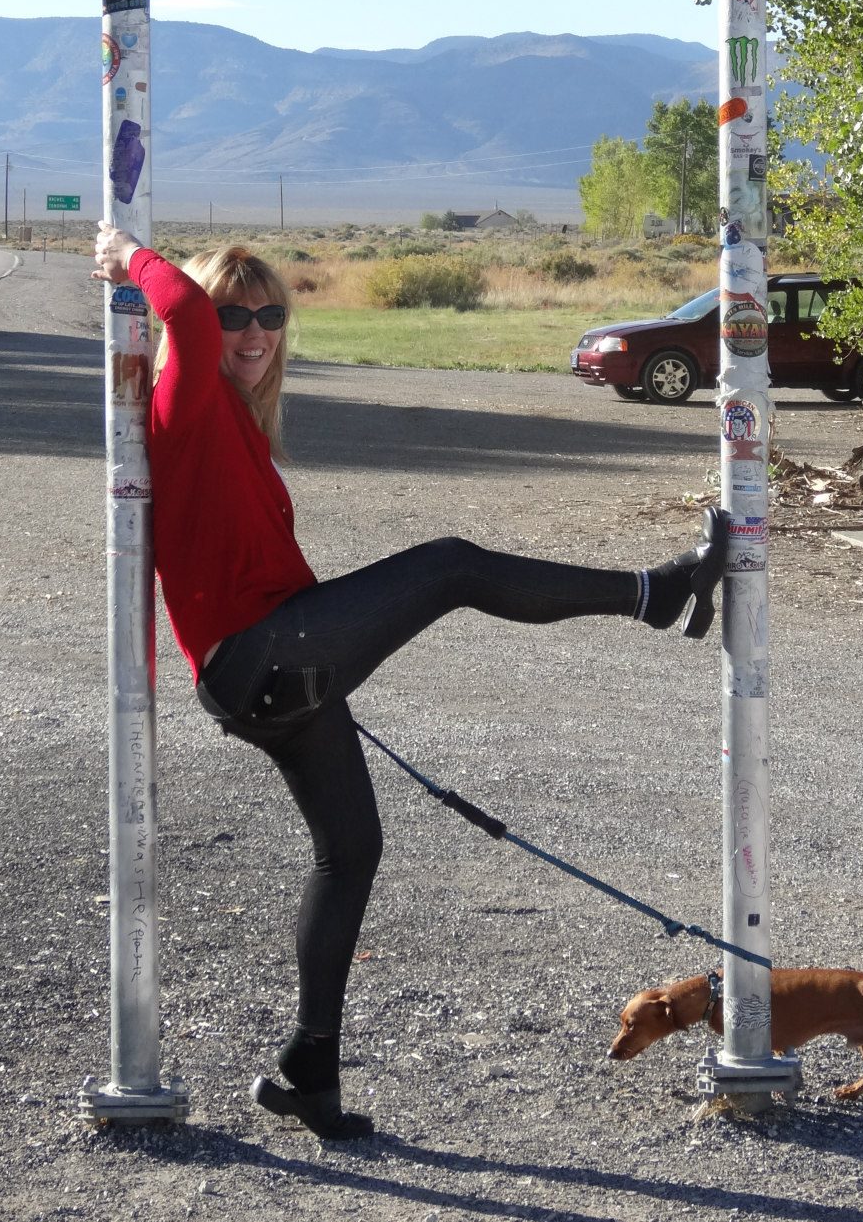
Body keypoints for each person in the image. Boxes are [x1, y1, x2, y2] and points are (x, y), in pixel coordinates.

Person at [92, 223, 726, 1139]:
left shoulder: (238, 421)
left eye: (272, 315)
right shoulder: (183, 398)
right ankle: (657, 594)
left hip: (277, 661)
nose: (255, 333)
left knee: (352, 854)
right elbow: (182, 312)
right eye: (239, 316)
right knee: (450, 567)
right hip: (260, 655)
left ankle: (309, 1072)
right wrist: (129, 256)